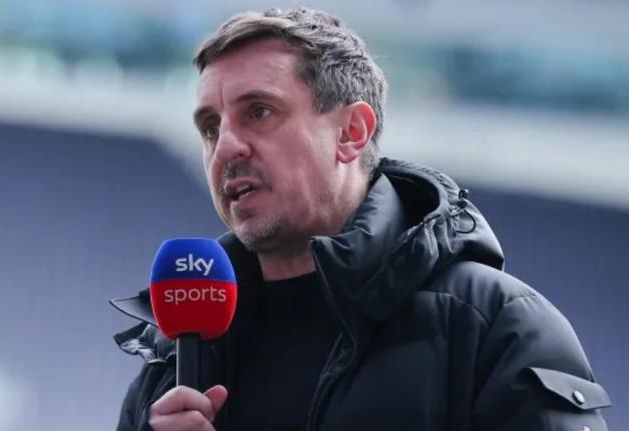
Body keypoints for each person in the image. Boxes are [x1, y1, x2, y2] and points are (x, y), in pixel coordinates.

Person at [111, 7, 611, 431]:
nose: (225, 148)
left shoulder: (495, 328)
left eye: (259, 112)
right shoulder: (174, 363)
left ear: (351, 132)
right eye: (210, 128)